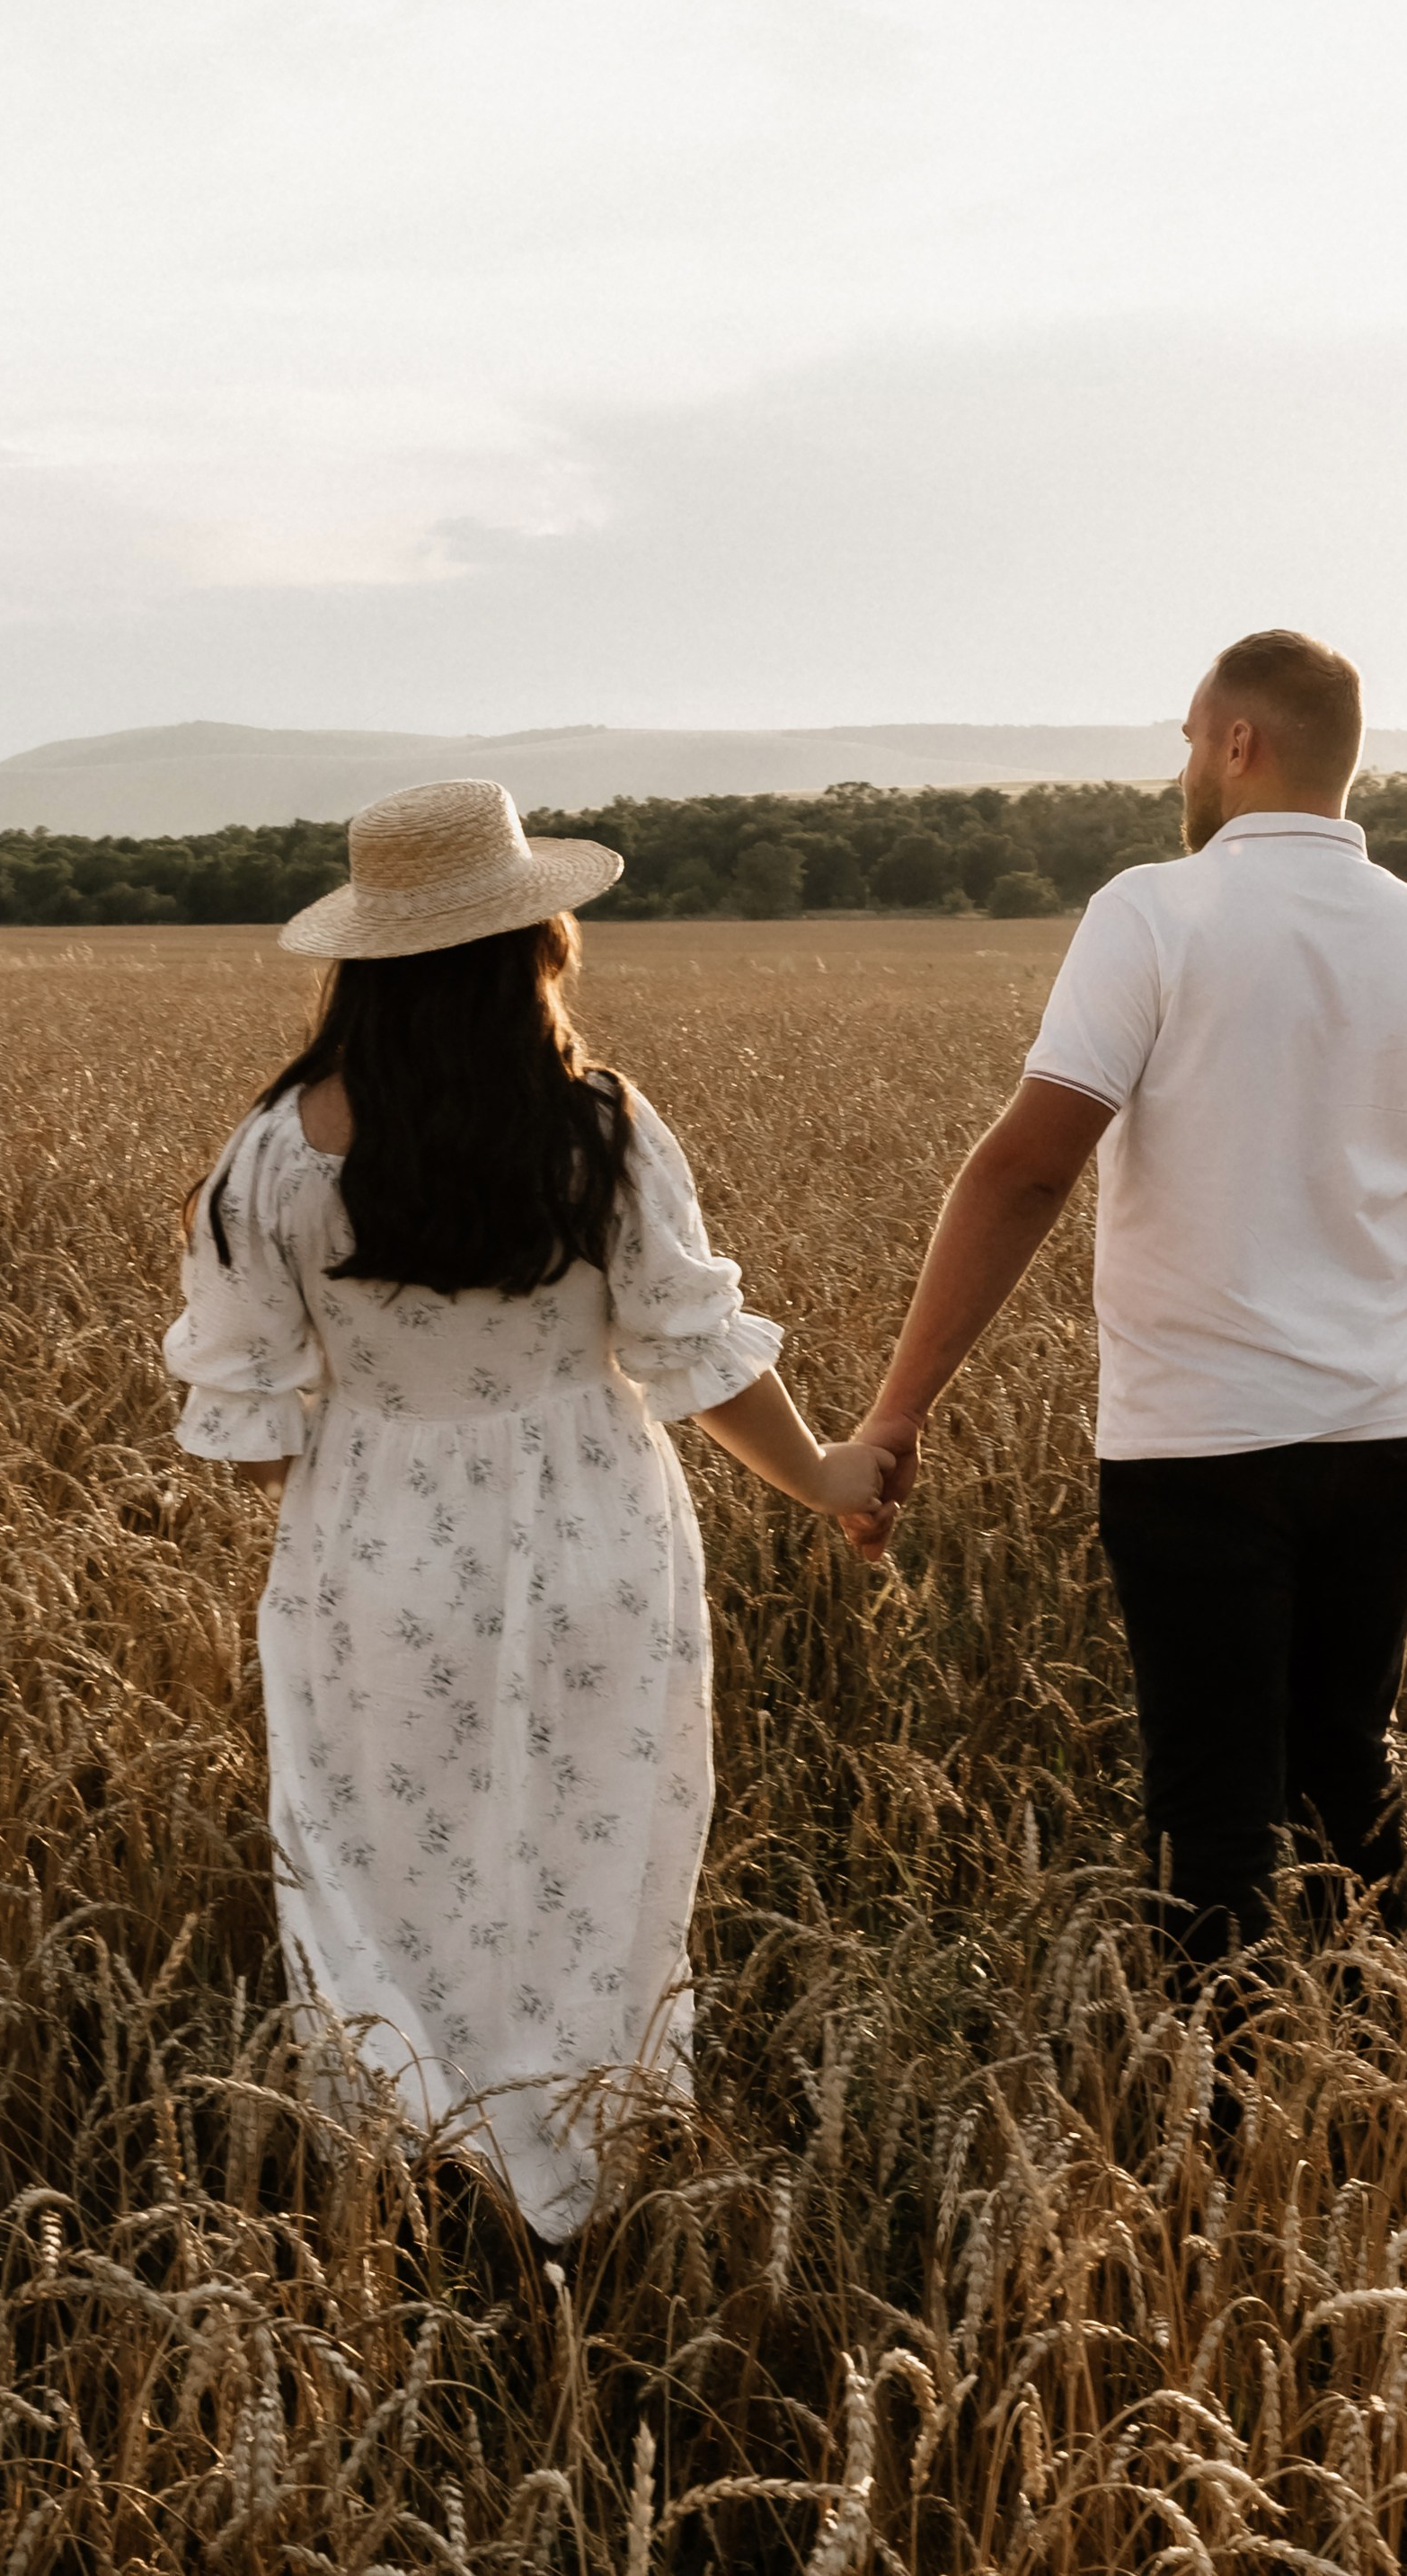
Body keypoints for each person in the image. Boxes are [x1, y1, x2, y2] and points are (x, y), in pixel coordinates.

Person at [164, 779, 889, 2239]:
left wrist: (384, 1430)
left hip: (373, 1545)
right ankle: (588, 2161)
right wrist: (822, 1475)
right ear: (533, 943)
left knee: (382, 1862)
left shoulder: (270, 1154)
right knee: (588, 1841)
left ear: (364, 956)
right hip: (596, 1535)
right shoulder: (600, 1125)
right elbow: (692, 1350)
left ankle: (420, 2164)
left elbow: (243, 1428)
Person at [848, 632, 1407, 1963]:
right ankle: (1377, 2122)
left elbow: (1029, 1168)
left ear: (1238, 742)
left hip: (1196, 1448)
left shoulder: (1151, 911)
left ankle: (1219, 2143)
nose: (1183, 763)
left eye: (1187, 735)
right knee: (1347, 1800)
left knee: (1212, 1824)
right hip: (1381, 1436)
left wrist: (898, 1407)